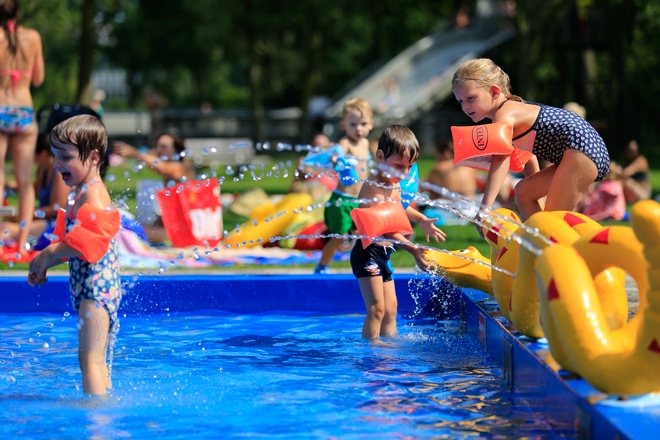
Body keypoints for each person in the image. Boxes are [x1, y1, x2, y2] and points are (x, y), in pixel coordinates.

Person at [28, 115, 122, 395]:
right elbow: (71, 244)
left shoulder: (94, 196)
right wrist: (45, 263)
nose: (57, 164)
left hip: (97, 290)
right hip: (89, 288)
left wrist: (45, 254)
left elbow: (84, 244)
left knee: (90, 360)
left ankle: (96, 424)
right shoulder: (79, 193)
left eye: (65, 156)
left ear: (94, 157)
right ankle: (103, 411)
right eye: (56, 155)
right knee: (95, 361)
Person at [452, 58, 610, 223]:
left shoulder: (504, 114)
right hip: (583, 151)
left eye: (470, 98)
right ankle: (533, 243)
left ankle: (545, 242)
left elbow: (500, 158)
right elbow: (528, 158)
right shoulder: (512, 112)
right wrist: (538, 201)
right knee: (524, 191)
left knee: (550, 224)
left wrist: (485, 207)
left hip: (582, 149)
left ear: (494, 92)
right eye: (460, 101)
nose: (465, 107)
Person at [352, 125, 446, 339]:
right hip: (368, 254)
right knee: (377, 309)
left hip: (384, 254)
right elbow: (386, 231)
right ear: (379, 157)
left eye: (409, 167)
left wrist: (422, 220)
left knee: (391, 309)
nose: (404, 173)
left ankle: (390, 349)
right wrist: (413, 249)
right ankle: (372, 352)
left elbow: (400, 209)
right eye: (399, 166)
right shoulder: (373, 189)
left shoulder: (393, 183)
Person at [0, 0, 44, 254]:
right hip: (24, 112)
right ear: (18, 13)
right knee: (25, 183)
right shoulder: (33, 37)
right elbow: (37, 78)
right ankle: (21, 243)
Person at [315, 98, 374, 274]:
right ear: (343, 126)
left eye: (363, 124)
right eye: (353, 124)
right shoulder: (345, 143)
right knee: (337, 238)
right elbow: (337, 154)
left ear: (370, 125)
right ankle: (322, 266)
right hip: (342, 201)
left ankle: (367, 266)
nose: (358, 128)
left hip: (360, 200)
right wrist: (335, 160)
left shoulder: (365, 144)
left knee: (368, 236)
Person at [113, 132, 195, 243]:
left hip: (185, 232)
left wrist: (134, 153)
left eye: (164, 146)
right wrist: (156, 224)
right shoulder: (173, 172)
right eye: (157, 146)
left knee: (127, 231)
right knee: (127, 227)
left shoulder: (181, 168)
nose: (158, 150)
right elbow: (171, 211)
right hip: (176, 228)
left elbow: (162, 167)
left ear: (176, 151)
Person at [2, 133, 68, 246]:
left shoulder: (59, 173)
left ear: (43, 154)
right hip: (42, 220)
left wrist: (25, 214)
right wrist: (12, 186)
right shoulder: (44, 170)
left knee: (8, 229)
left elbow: (57, 208)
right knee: (7, 227)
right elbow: (31, 191)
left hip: (55, 224)